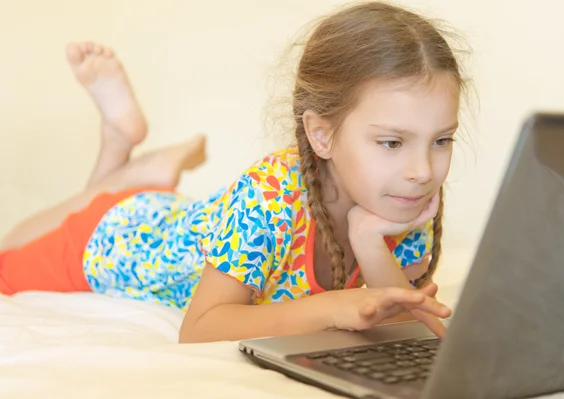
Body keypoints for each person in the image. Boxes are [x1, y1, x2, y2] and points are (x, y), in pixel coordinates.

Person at [0, 1, 463, 344]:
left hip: (184, 220)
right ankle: (124, 154)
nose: (422, 171)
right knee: (7, 252)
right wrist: (331, 307)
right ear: (322, 136)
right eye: (391, 143)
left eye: (442, 140)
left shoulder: (403, 202)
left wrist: (369, 243)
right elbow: (200, 327)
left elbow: (406, 321)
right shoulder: (268, 196)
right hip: (113, 236)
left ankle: (133, 160)